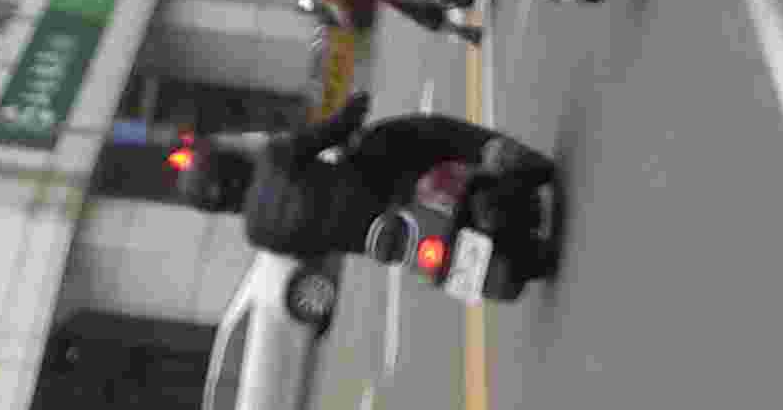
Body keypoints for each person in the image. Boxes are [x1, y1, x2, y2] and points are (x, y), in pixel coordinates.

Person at [184, 93, 558, 284]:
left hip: (377, 242)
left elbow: (313, 254)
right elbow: (332, 131)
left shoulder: (258, 233)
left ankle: (517, 255)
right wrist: (353, 109)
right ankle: (495, 154)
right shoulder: (272, 158)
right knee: (417, 134)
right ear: (230, 164)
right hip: (376, 185)